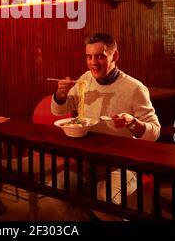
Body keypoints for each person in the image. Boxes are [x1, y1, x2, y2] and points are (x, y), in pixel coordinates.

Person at [50, 32, 161, 220]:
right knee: (55, 191)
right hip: (87, 161)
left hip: (123, 165)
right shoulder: (85, 79)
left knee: (103, 198)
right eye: (89, 56)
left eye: (100, 56)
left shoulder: (134, 88)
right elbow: (59, 111)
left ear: (114, 56)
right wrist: (61, 94)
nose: (93, 62)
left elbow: (155, 131)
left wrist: (133, 123)